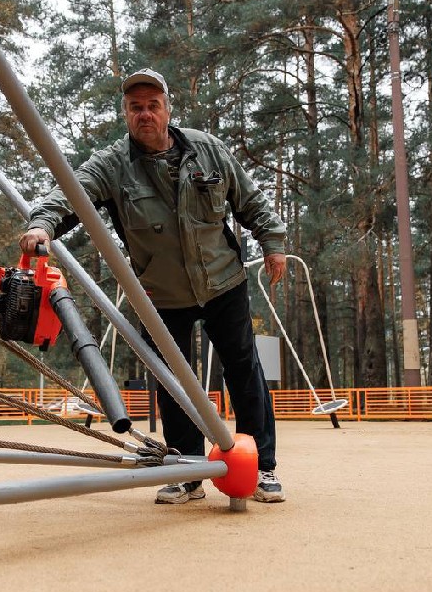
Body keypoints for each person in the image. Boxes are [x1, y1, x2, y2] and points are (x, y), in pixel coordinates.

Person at [19, 68, 287, 504]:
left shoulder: (208, 149)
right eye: (135, 107)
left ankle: (262, 468)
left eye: (152, 105)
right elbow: (68, 194)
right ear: (126, 113)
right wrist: (41, 224)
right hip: (160, 294)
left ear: (167, 108)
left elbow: (250, 199)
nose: (145, 114)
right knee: (173, 382)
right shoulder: (112, 164)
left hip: (223, 282)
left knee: (244, 371)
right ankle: (186, 472)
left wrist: (272, 243)